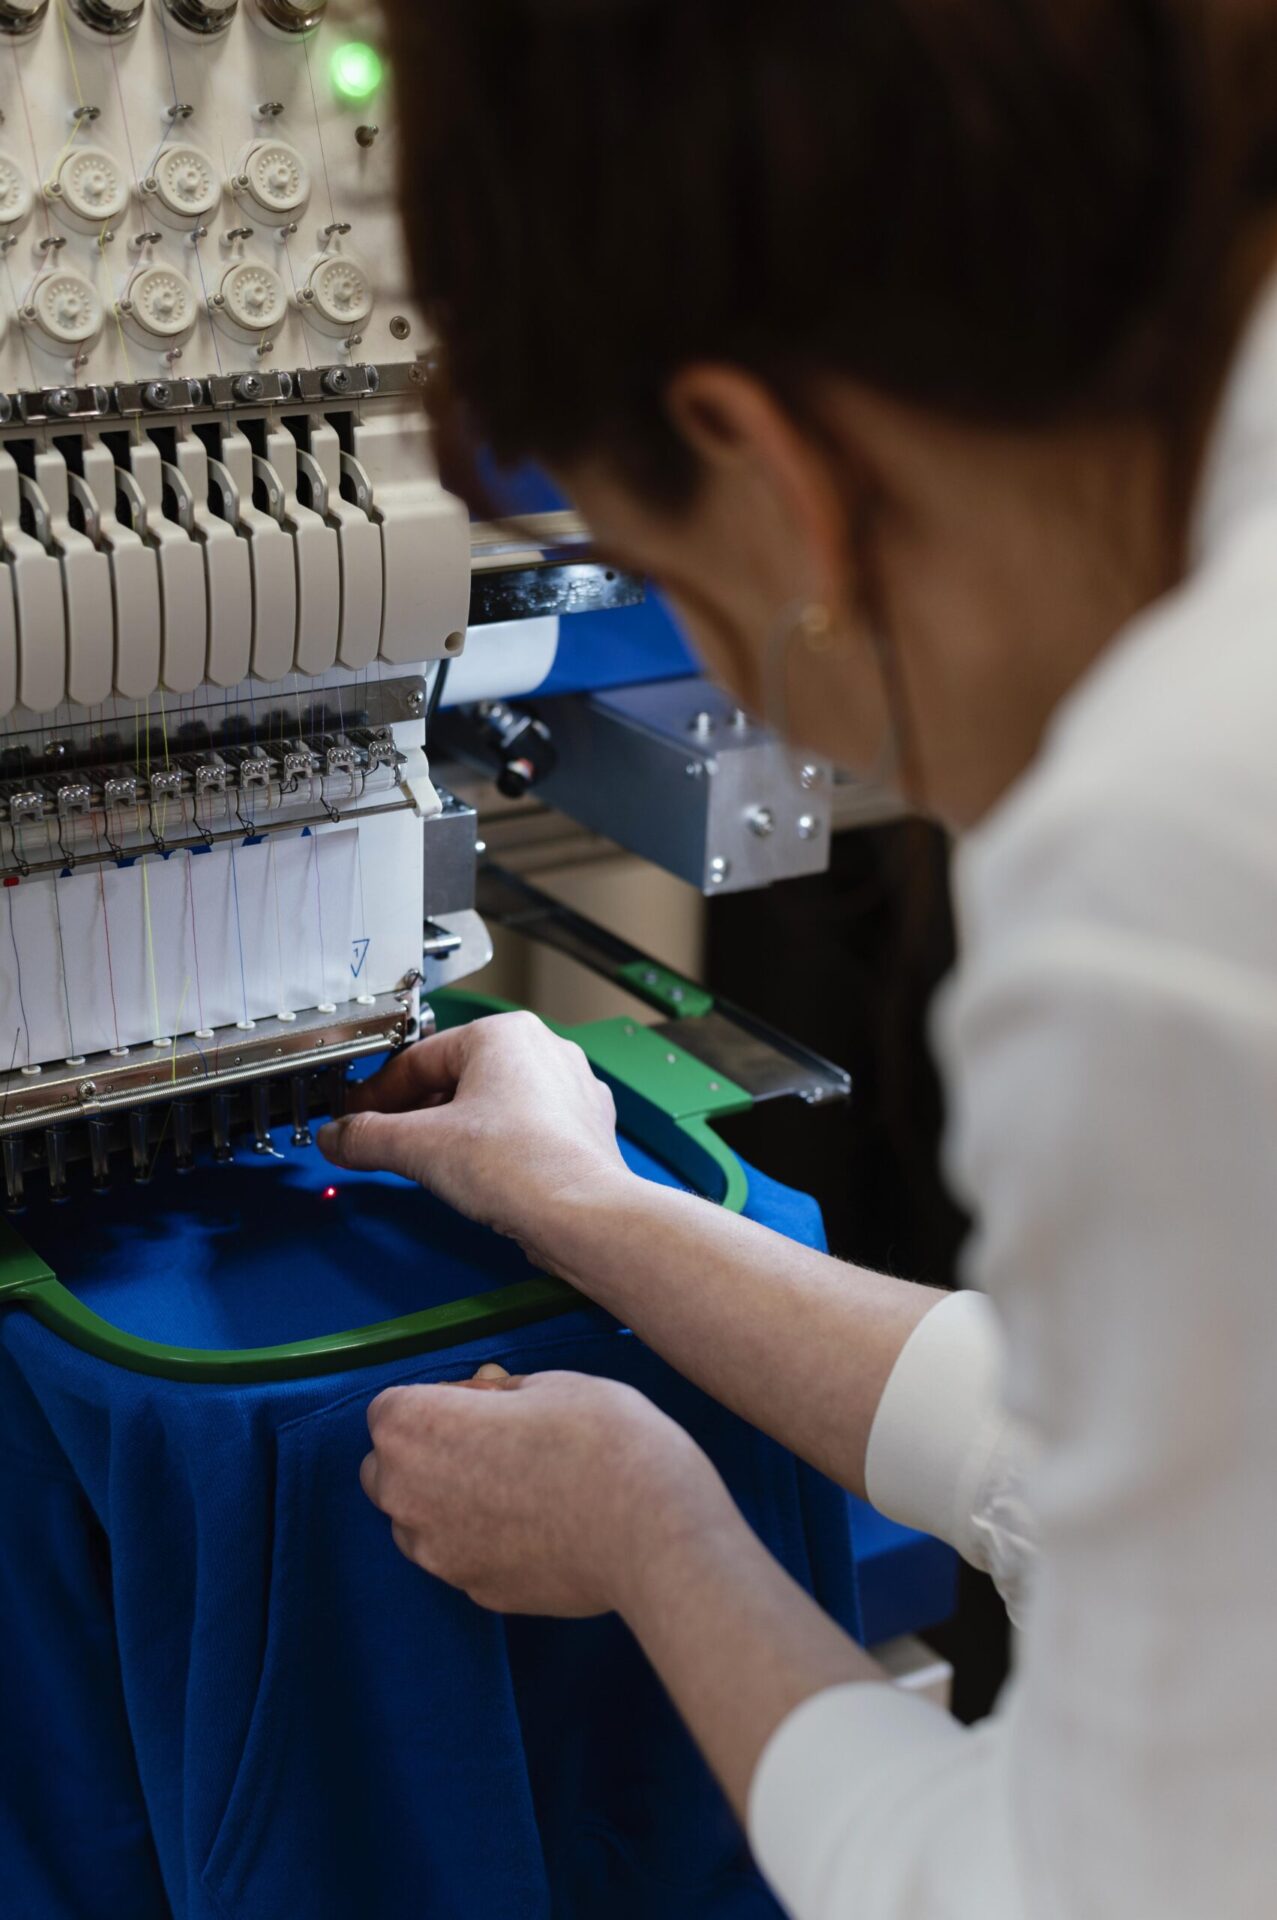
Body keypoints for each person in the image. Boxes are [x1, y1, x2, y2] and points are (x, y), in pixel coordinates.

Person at [318, 4, 1277, 1913]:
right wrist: (589, 1207)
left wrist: (658, 1535)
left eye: (671, 583)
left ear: (754, 454)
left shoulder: (1165, 851)